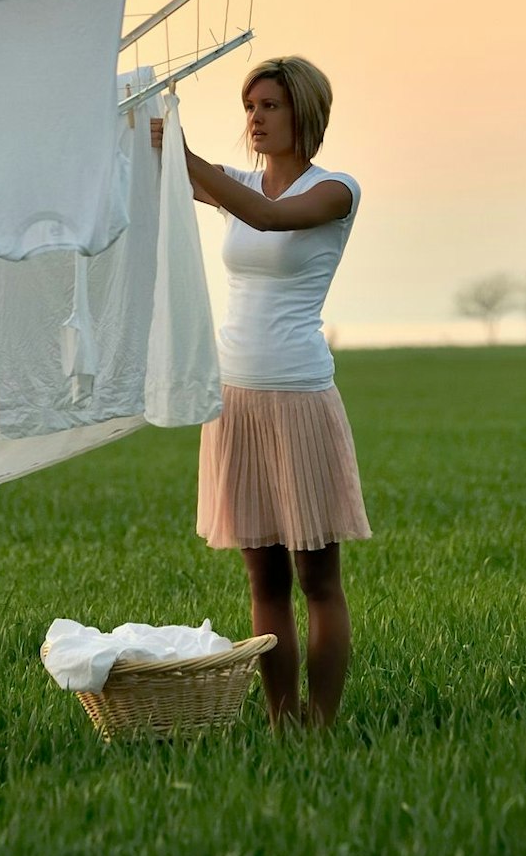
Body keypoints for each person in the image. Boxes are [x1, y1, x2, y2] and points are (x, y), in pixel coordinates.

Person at [151, 55, 371, 727]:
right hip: (234, 396)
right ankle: (282, 722)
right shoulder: (236, 185)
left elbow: (268, 217)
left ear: (303, 111)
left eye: (269, 105)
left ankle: (321, 725)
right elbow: (168, 170)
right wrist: (149, 118)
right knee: (264, 580)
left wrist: (189, 159)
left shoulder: (336, 190)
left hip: (299, 397)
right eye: (250, 106)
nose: (255, 118)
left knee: (317, 580)